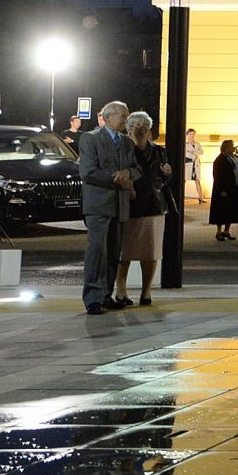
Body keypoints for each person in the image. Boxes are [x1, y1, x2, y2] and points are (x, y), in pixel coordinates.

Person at [77, 101, 135, 315]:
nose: (126, 120)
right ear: (108, 117)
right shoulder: (90, 138)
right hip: (99, 205)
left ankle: (105, 296)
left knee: (113, 253)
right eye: (123, 116)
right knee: (97, 251)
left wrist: (128, 173)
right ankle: (93, 298)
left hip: (120, 206)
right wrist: (116, 178)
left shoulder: (126, 142)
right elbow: (87, 172)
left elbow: (135, 168)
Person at [116, 111, 170, 308]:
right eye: (136, 127)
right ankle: (121, 290)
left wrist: (167, 173)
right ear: (128, 130)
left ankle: (146, 291)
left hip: (154, 204)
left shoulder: (159, 151)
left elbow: (164, 177)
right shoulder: (123, 150)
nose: (141, 131)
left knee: (151, 251)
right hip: (130, 204)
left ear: (149, 130)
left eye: (144, 127)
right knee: (124, 251)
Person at [209, 139, 238, 241]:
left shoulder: (233, 159)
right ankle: (219, 231)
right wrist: (222, 189)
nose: (233, 148)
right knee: (221, 210)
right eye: (231, 146)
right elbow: (218, 176)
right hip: (223, 189)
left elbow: (237, 170)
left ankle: (226, 231)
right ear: (226, 148)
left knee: (230, 210)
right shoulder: (220, 160)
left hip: (233, 188)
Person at [184, 128, 205, 205]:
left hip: (195, 164)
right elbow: (186, 154)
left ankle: (201, 197)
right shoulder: (185, 144)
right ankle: (180, 196)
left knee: (197, 180)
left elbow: (201, 152)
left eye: (193, 134)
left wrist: (193, 152)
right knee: (184, 180)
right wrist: (194, 153)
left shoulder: (197, 144)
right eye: (190, 134)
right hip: (188, 163)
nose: (192, 136)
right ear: (187, 135)